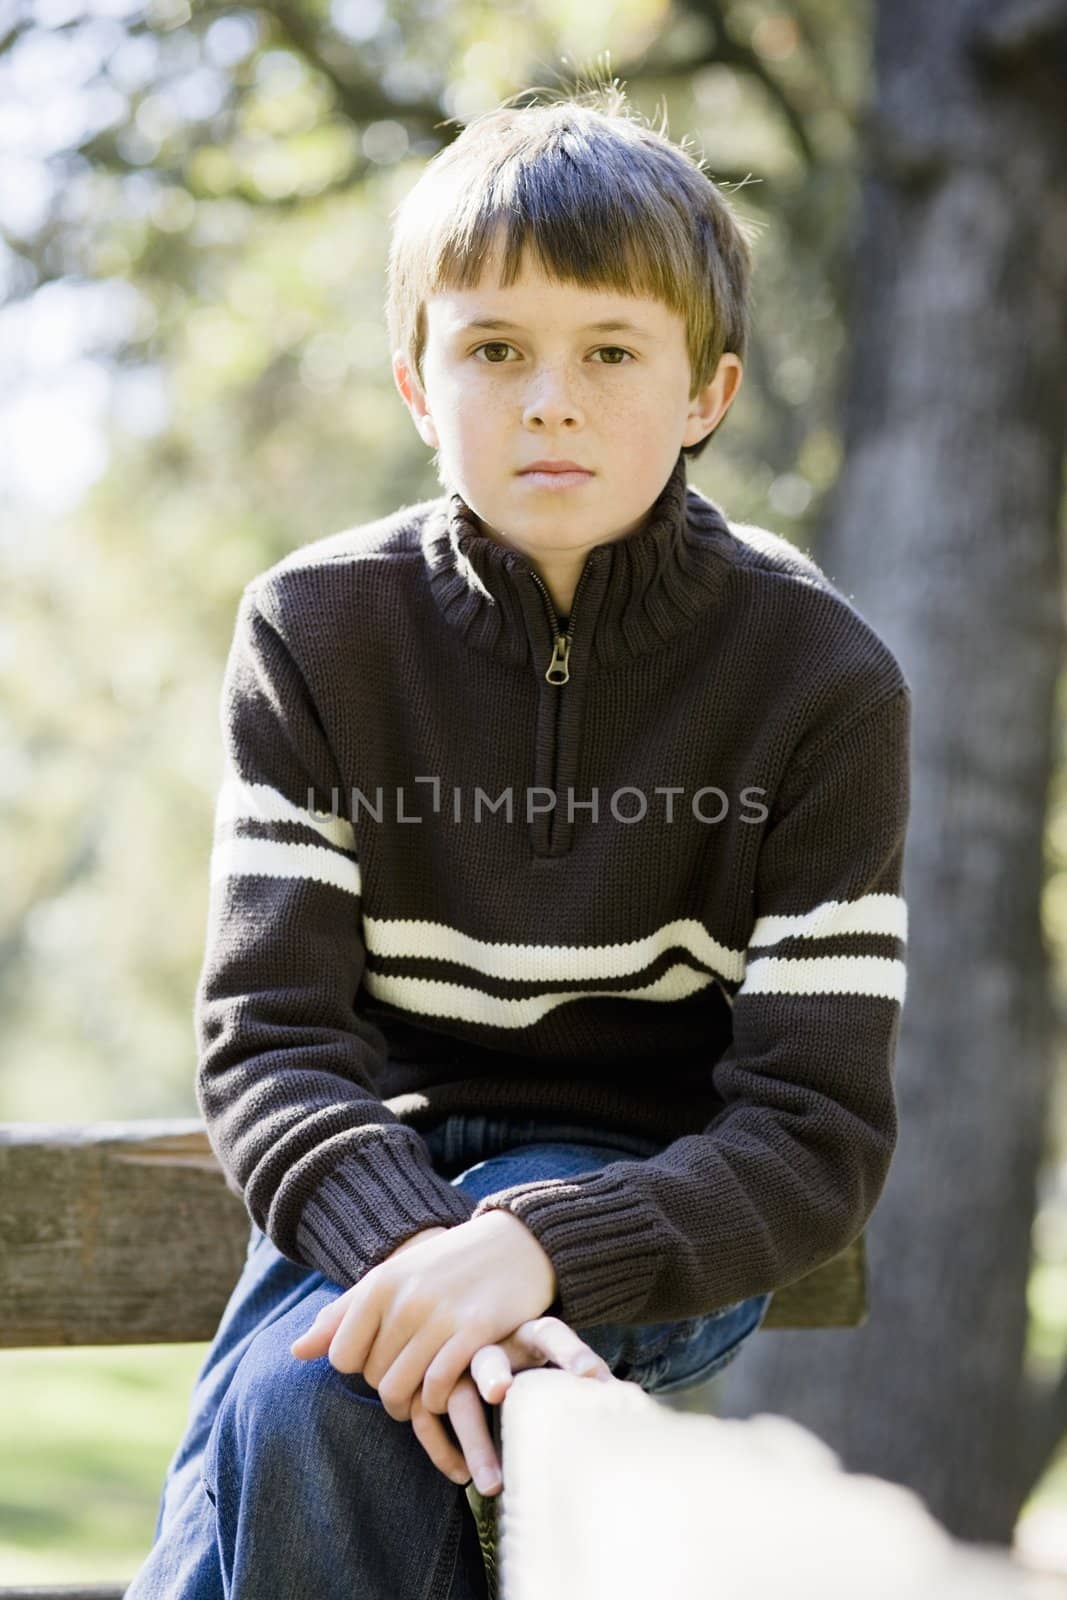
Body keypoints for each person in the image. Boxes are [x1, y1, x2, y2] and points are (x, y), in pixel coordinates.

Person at [124, 81, 911, 1600]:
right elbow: (270, 1038)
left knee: (310, 1411)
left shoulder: (820, 681)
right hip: (371, 1175)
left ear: (708, 394)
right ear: (419, 385)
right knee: (301, 1405)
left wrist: (539, 1248)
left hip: (654, 1198)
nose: (548, 399)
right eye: (494, 350)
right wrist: (432, 1252)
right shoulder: (316, 633)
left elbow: (815, 1127)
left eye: (610, 352)